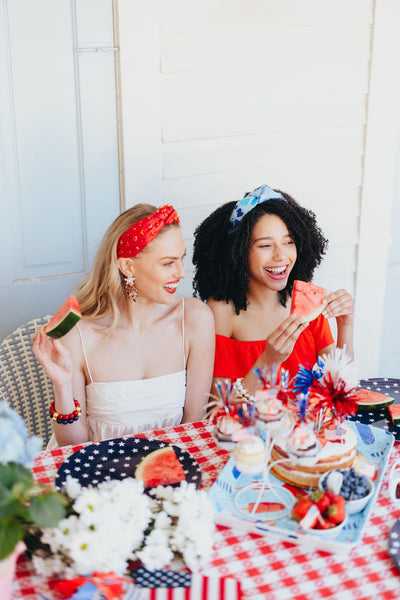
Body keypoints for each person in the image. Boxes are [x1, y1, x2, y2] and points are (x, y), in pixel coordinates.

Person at [33, 204, 215, 448]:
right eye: (168, 263)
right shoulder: (78, 334)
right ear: (128, 267)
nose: (181, 273)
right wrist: (61, 386)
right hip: (97, 471)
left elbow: (194, 425)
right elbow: (71, 446)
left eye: (181, 259)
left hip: (173, 469)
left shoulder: (195, 319)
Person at [192, 184, 354, 399]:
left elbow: (340, 389)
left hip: (308, 429)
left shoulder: (305, 296)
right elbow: (219, 407)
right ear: (238, 253)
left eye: (289, 242)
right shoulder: (222, 310)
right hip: (251, 430)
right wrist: (269, 360)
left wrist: (346, 325)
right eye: (265, 245)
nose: (281, 256)